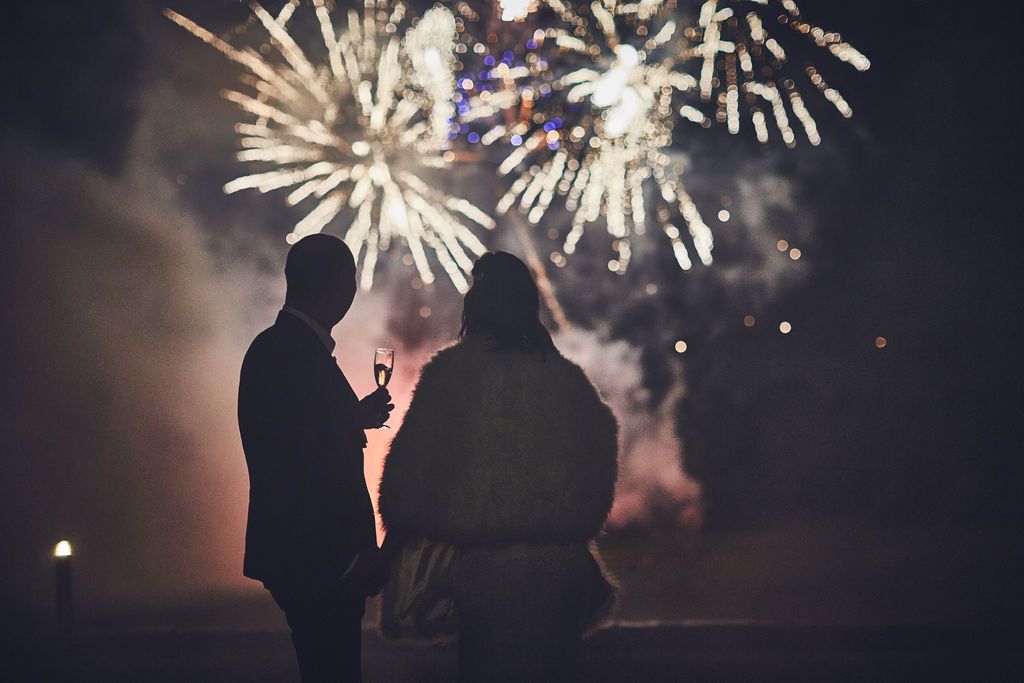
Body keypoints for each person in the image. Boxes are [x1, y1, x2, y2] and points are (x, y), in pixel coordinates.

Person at [378, 251, 619, 681]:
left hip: (486, 576)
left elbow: (409, 480)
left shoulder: (451, 376)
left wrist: (392, 550)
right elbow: (600, 457)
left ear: (477, 305)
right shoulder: (568, 382)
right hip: (558, 573)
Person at [237, 234, 393, 682]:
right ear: (337, 285)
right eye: (351, 279)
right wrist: (347, 559)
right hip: (319, 560)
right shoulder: (294, 353)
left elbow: (296, 435)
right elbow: (299, 460)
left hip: (306, 557)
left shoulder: (279, 348)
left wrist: (353, 417)